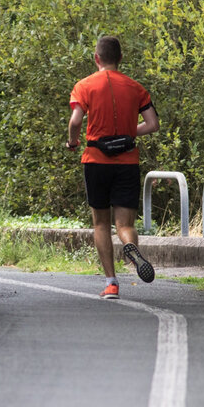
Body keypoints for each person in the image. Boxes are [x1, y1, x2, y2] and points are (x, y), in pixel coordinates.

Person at [66, 36, 160, 299]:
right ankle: (130, 246)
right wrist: (128, 133)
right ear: (120, 58)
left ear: (97, 58)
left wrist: (73, 142)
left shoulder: (84, 86)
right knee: (124, 223)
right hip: (127, 161)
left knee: (101, 223)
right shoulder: (136, 88)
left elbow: (75, 122)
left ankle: (111, 283)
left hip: (96, 160)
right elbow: (152, 124)